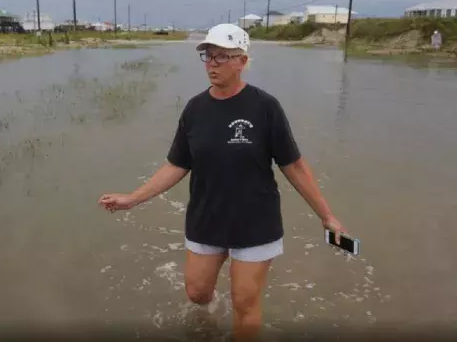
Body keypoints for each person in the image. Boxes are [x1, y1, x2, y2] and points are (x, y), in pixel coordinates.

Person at [98, 23, 348, 341]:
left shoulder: (265, 107)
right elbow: (177, 164)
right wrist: (133, 198)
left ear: (242, 61)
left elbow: (294, 166)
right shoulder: (195, 109)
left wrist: (326, 216)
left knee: (245, 301)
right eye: (208, 56)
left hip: (255, 221)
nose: (212, 64)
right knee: (197, 292)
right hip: (207, 217)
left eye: (221, 56)